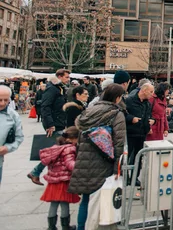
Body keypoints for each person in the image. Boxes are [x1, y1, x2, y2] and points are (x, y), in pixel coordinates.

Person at [68, 84, 126, 229]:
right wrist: (117, 167)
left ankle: (81, 227)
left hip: (84, 159)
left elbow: (80, 135)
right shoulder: (116, 114)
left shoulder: (89, 110)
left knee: (86, 198)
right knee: (100, 198)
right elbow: (119, 143)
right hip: (103, 161)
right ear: (117, 98)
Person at [28, 70, 71, 186]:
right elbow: (45, 107)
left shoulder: (58, 88)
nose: (68, 79)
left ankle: (36, 172)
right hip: (54, 124)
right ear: (59, 77)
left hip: (59, 122)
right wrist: (50, 124)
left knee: (55, 150)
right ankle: (37, 172)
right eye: (66, 77)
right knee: (55, 151)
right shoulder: (52, 89)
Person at [39, 126, 80, 230]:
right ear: (73, 138)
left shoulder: (56, 147)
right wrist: (79, 166)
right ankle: (66, 226)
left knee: (54, 204)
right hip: (63, 180)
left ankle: (51, 227)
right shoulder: (70, 148)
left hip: (53, 180)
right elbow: (69, 163)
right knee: (64, 203)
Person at [124, 83, 155, 185]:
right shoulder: (129, 100)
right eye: (151, 92)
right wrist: (131, 119)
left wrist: (152, 121)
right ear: (144, 90)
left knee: (139, 157)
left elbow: (149, 115)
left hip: (142, 133)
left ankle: (134, 177)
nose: (152, 94)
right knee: (127, 156)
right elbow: (122, 114)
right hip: (130, 133)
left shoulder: (147, 103)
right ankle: (124, 177)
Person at [0, 85, 24, 186]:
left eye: (6, 100)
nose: (3, 103)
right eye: (0, 99)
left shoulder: (13, 115)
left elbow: (19, 137)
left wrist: (7, 147)